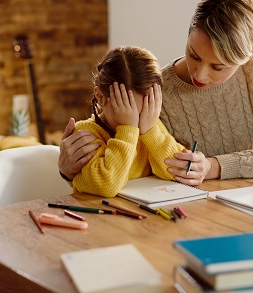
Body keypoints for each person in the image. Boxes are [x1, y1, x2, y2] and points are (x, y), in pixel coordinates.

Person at [59, 0, 253, 186]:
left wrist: (212, 167)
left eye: (218, 67)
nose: (200, 74)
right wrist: (68, 171)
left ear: (247, 57)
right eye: (194, 56)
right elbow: (128, 151)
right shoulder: (157, 92)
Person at [67, 46, 186, 197]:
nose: (135, 121)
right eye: (125, 109)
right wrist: (127, 129)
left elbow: (180, 171)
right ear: (100, 96)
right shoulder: (85, 133)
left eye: (143, 110)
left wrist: (151, 132)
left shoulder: (148, 126)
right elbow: (106, 185)